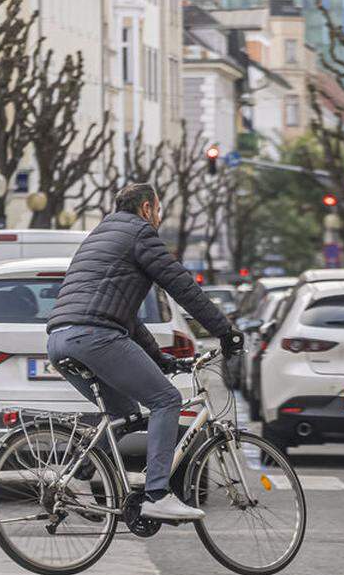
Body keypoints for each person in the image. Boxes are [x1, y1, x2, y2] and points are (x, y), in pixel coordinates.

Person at [46, 183, 243, 522]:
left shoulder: (98, 236)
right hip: (96, 336)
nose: (159, 218)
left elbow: (127, 317)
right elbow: (182, 286)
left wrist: (159, 359)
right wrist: (226, 333)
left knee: (122, 415)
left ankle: (74, 481)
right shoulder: (140, 234)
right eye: (159, 210)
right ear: (148, 208)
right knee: (167, 400)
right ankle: (157, 494)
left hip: (60, 338)